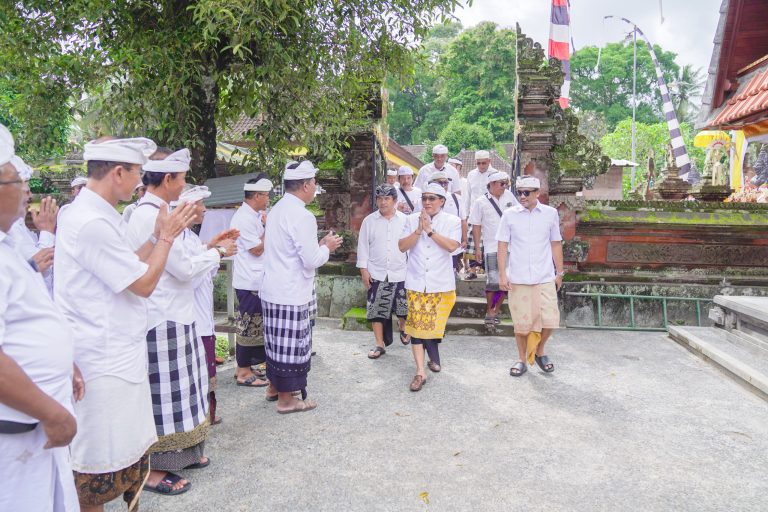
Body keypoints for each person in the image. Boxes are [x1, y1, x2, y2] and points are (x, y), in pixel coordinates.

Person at [55, 136, 197, 510]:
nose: (139, 181)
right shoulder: (89, 222)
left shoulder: (98, 213)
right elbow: (144, 283)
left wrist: (155, 236)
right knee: (96, 473)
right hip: (102, 361)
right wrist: (167, 236)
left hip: (116, 354)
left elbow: (130, 264)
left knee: (120, 459)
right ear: (117, 172)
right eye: (136, 172)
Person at [126, 147, 238, 496]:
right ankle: (155, 469)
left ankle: (185, 453)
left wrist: (210, 247)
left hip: (178, 315)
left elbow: (187, 256)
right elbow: (185, 270)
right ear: (168, 179)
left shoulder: (162, 211)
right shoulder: (149, 216)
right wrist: (217, 253)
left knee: (184, 392)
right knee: (164, 397)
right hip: (161, 319)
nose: (186, 184)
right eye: (183, 178)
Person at [0, 124, 80, 512]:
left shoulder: (6, 245)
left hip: (31, 426)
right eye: (18, 180)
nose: (25, 190)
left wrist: (66, 364)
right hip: (17, 430)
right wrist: (53, 413)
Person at [260, 161, 342, 414]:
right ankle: (287, 400)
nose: (315, 188)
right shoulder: (302, 215)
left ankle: (274, 387)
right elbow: (311, 260)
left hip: (273, 287)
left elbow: (292, 251)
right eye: (315, 183)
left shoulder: (277, 209)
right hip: (290, 291)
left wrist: (318, 245)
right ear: (306, 185)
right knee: (291, 347)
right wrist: (326, 247)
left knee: (275, 343)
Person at [496, 176, 564, 378]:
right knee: (521, 324)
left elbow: (556, 243)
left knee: (551, 320)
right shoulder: (509, 215)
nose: (522, 196)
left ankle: (540, 350)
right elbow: (502, 245)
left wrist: (559, 273)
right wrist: (502, 274)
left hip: (544, 276)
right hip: (518, 277)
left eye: (527, 192)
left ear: (537, 193)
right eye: (519, 192)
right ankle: (522, 359)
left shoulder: (550, 214)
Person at [398, 183, 461, 392]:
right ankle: (419, 372)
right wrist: (418, 230)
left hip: (440, 284)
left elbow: (453, 246)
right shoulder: (409, 219)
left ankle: (434, 356)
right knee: (416, 327)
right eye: (424, 198)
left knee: (433, 327)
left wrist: (430, 231)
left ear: (442, 201)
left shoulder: (452, 221)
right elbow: (402, 247)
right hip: (416, 282)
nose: (427, 202)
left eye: (432, 198)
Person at [177, 185, 225, 426]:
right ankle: (200, 419)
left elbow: (205, 269)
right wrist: (215, 253)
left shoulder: (191, 237)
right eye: (200, 204)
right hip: (192, 316)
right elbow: (190, 275)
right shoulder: (178, 239)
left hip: (203, 314)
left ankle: (207, 416)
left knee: (207, 369)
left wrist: (212, 249)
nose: (204, 209)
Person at [229, 174, 273, 388]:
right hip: (249, 280)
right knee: (248, 327)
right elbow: (256, 249)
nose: (268, 199)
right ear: (256, 196)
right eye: (266, 195)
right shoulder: (243, 218)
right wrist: (269, 228)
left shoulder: (254, 215)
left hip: (257, 279)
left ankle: (249, 366)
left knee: (257, 327)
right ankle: (243, 371)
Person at [356, 184, 409, 358]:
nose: (383, 202)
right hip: (376, 272)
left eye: (386, 198)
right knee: (376, 310)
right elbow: (363, 246)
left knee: (403, 308)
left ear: (394, 201)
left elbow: (411, 247)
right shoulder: (369, 221)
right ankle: (379, 344)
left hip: (401, 271)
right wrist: (364, 270)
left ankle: (403, 327)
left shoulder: (405, 220)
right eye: (379, 198)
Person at [468, 171, 519, 326]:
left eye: (506, 183)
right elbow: (476, 226)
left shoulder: (510, 197)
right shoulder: (480, 202)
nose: (505, 187)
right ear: (491, 184)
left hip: (511, 246)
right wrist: (477, 249)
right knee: (492, 282)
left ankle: (496, 309)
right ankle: (490, 310)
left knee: (506, 280)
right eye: (501, 183)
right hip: (491, 246)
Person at [7, 155, 58, 294]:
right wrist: (47, 230)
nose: (29, 192)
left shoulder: (16, 224)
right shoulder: (9, 229)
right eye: (22, 183)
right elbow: (42, 266)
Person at [429, 170, 467, 272]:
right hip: (431, 245)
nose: (443, 185)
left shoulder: (456, 198)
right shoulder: (425, 200)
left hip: (451, 244)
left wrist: (464, 239)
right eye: (439, 182)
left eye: (445, 182)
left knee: (451, 274)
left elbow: (463, 220)